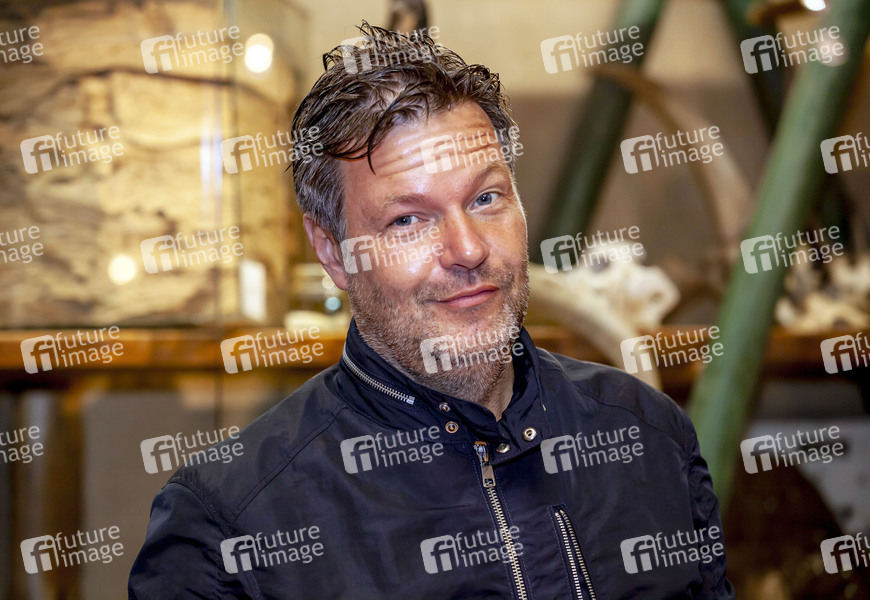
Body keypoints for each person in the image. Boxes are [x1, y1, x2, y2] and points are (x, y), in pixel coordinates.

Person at [129, 22, 735, 599]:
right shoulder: (228, 525)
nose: (468, 249)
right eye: (407, 220)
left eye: (487, 197)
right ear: (333, 252)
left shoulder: (650, 436)